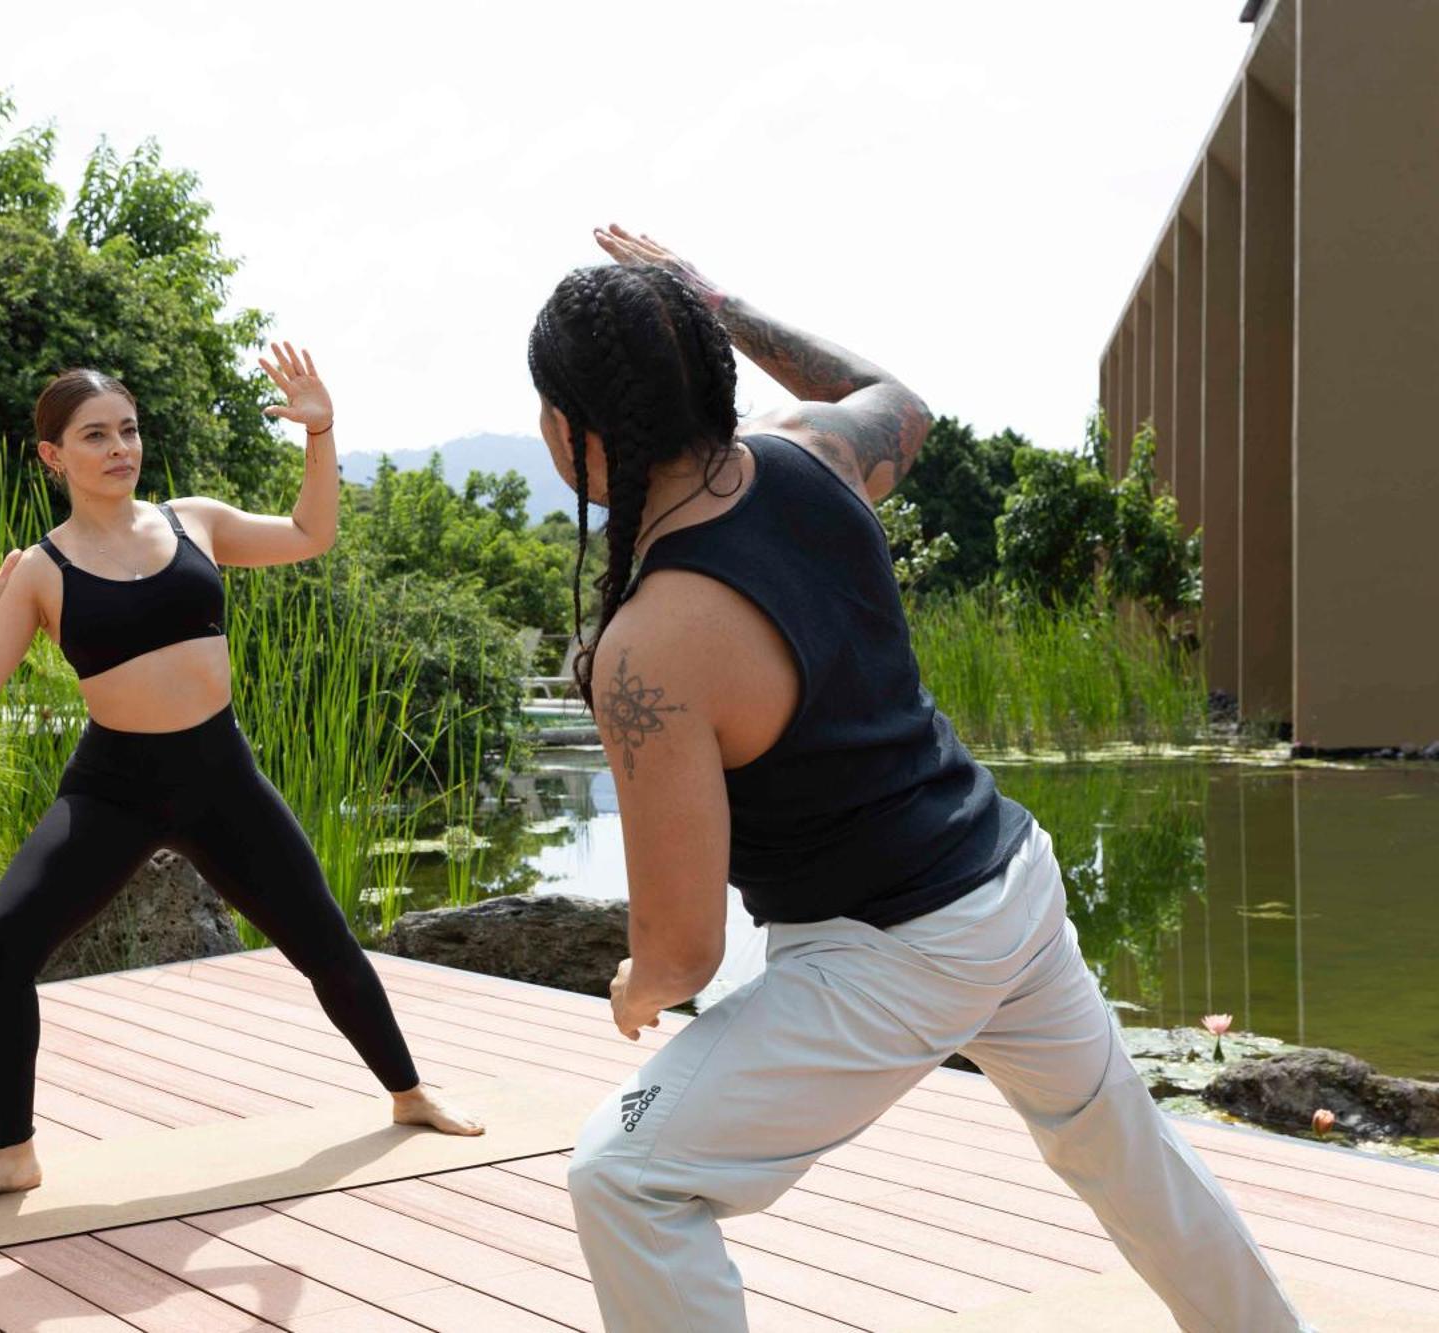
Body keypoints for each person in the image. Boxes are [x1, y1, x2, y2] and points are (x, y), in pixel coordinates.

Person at [531, 227, 1309, 1331]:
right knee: (1123, 1155)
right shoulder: (810, 454)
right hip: (1009, 883)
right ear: (709, 370)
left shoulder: (645, 649)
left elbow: (681, 952)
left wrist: (633, 988)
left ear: (576, 436)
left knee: (625, 1176)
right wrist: (722, 302)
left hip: (886, 951)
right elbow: (895, 397)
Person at [0, 349, 481, 1212]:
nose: (120, 448)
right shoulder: (38, 568)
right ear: (52, 456)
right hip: (112, 786)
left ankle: (409, 1093)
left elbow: (311, 534)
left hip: (221, 776)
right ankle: (12, 1153)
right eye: (95, 435)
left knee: (321, 935)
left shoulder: (195, 521)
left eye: (129, 430)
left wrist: (320, 432)